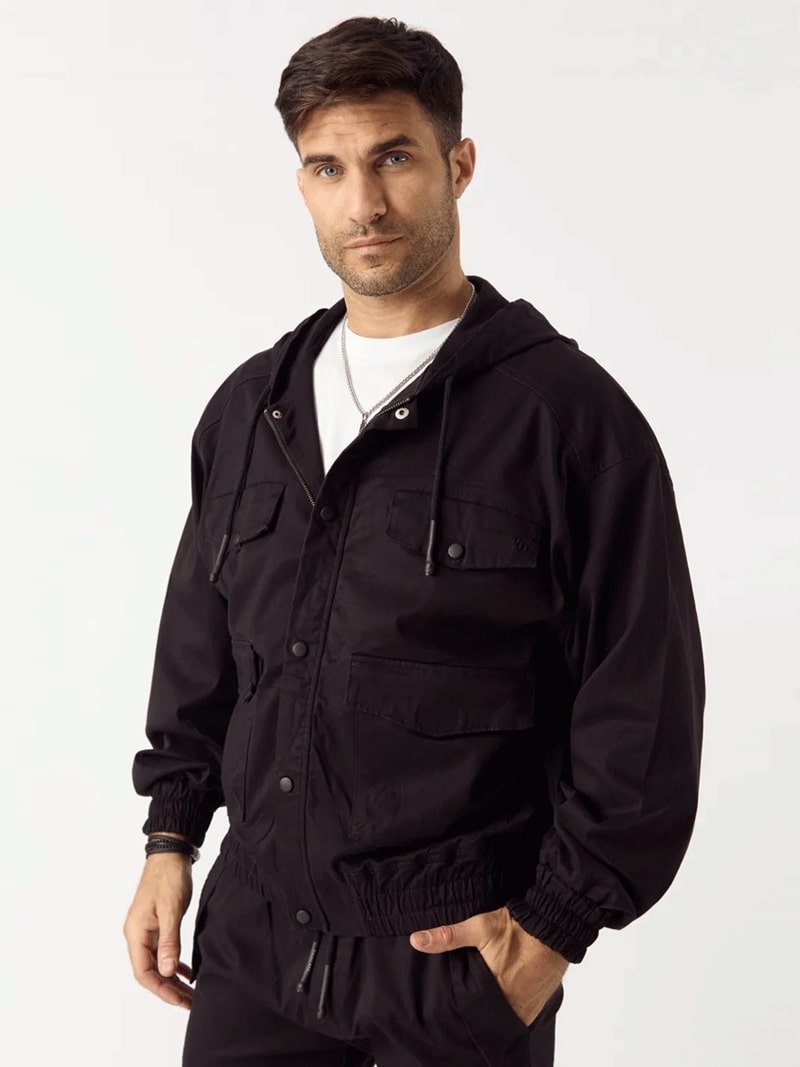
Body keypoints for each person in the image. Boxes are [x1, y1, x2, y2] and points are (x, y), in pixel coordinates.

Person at [123, 15, 705, 1067]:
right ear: (301, 182)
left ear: (457, 164)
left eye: (393, 157)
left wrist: (549, 933)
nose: (364, 203)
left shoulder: (568, 421)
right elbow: (200, 654)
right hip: (253, 949)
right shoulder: (250, 411)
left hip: (454, 964)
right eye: (328, 167)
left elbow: (643, 708)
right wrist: (171, 839)